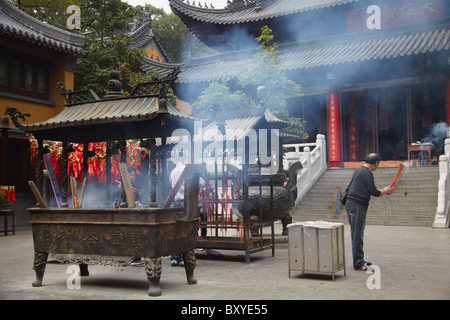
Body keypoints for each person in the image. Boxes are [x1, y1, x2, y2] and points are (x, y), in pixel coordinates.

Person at [345, 153, 394, 271]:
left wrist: (384, 190)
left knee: (356, 233)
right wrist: (385, 191)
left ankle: (359, 259)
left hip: (352, 204)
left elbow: (369, 189)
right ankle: (358, 263)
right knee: (357, 234)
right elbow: (374, 192)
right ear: (376, 163)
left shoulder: (359, 170)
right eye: (378, 164)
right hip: (357, 205)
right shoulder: (367, 173)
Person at [169, 161, 205, 267]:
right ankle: (186, 258)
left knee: (177, 230)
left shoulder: (173, 171)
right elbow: (201, 183)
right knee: (188, 230)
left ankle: (175, 258)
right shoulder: (188, 170)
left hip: (177, 203)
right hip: (189, 203)